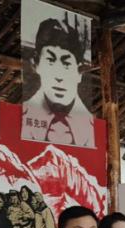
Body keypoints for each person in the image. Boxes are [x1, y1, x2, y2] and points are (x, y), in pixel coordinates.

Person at [22, 18, 93, 147]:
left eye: (67, 64)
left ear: (79, 72)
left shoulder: (92, 125)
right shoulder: (21, 116)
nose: (59, 77)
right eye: (50, 61)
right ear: (36, 65)